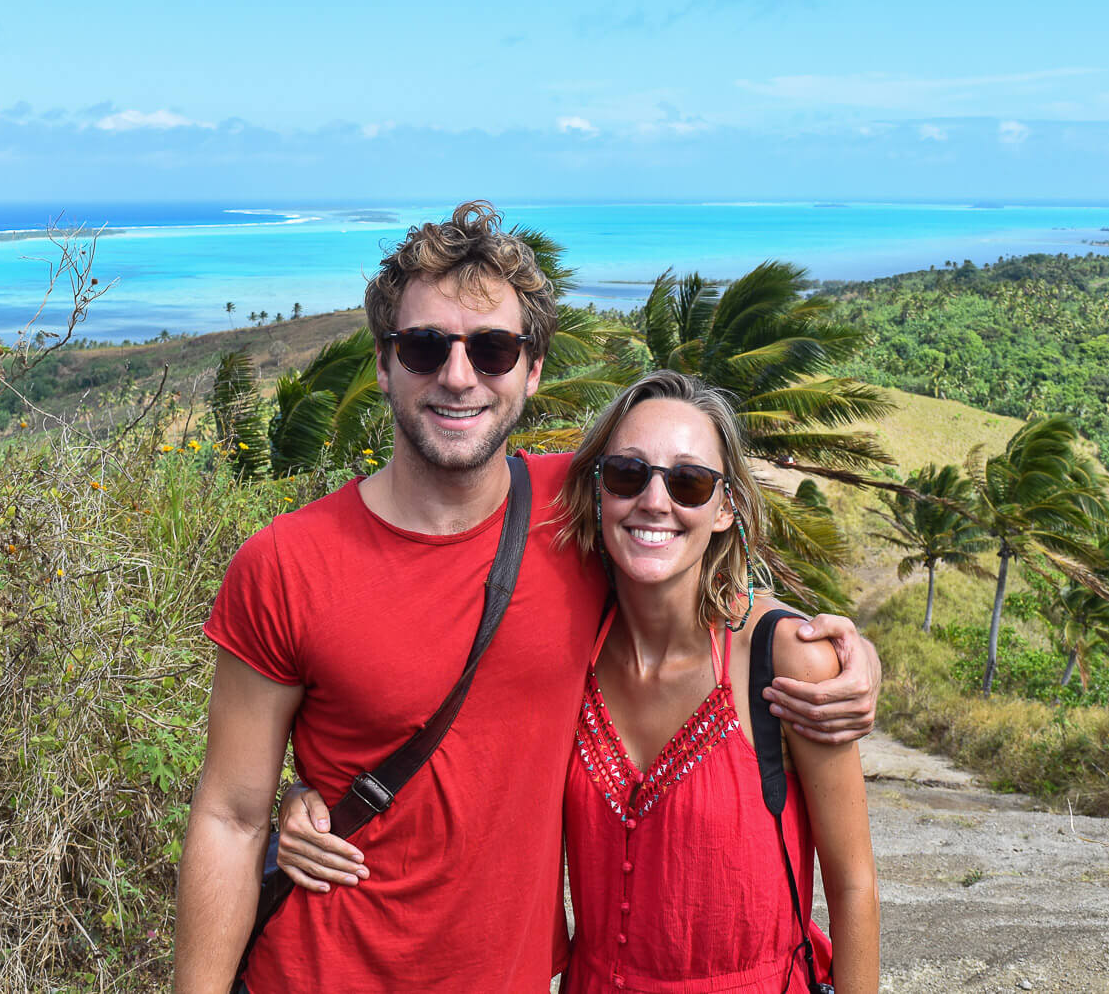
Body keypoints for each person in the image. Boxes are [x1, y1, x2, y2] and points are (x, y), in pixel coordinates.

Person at [174, 202, 881, 994]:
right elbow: (230, 817)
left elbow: (687, 566)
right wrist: (299, 803)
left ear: (532, 367)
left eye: (493, 347)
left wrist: (842, 654)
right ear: (383, 361)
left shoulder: (580, 512)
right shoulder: (285, 563)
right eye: (423, 345)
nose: (458, 374)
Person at [278, 371, 879, 993]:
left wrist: (857, 653)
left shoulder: (788, 661)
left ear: (726, 507)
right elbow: (431, 720)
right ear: (598, 491)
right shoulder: (567, 644)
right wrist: (305, 796)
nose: (654, 500)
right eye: (626, 474)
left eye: (689, 482)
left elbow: (854, 884)